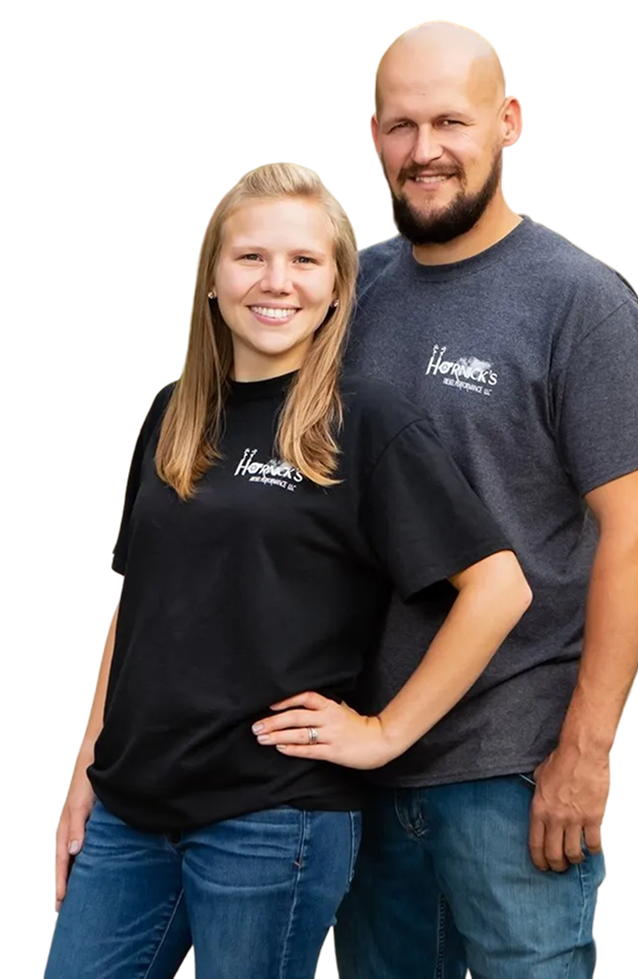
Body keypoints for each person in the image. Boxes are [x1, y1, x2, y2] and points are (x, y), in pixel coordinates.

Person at [46, 161, 533, 979]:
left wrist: (383, 734)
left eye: (306, 261)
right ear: (209, 277)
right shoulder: (173, 412)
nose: (278, 283)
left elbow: (499, 585)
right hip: (130, 812)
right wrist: (84, 772)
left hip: (270, 819)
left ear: (341, 286)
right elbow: (138, 608)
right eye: (251, 258)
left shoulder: (365, 419)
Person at [250, 20, 638, 979]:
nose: (426, 151)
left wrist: (584, 753)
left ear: (507, 123)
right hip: (358, 764)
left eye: (452, 123)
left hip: (511, 768)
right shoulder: (346, 290)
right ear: (374, 136)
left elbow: (631, 536)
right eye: (402, 126)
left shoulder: (579, 300)